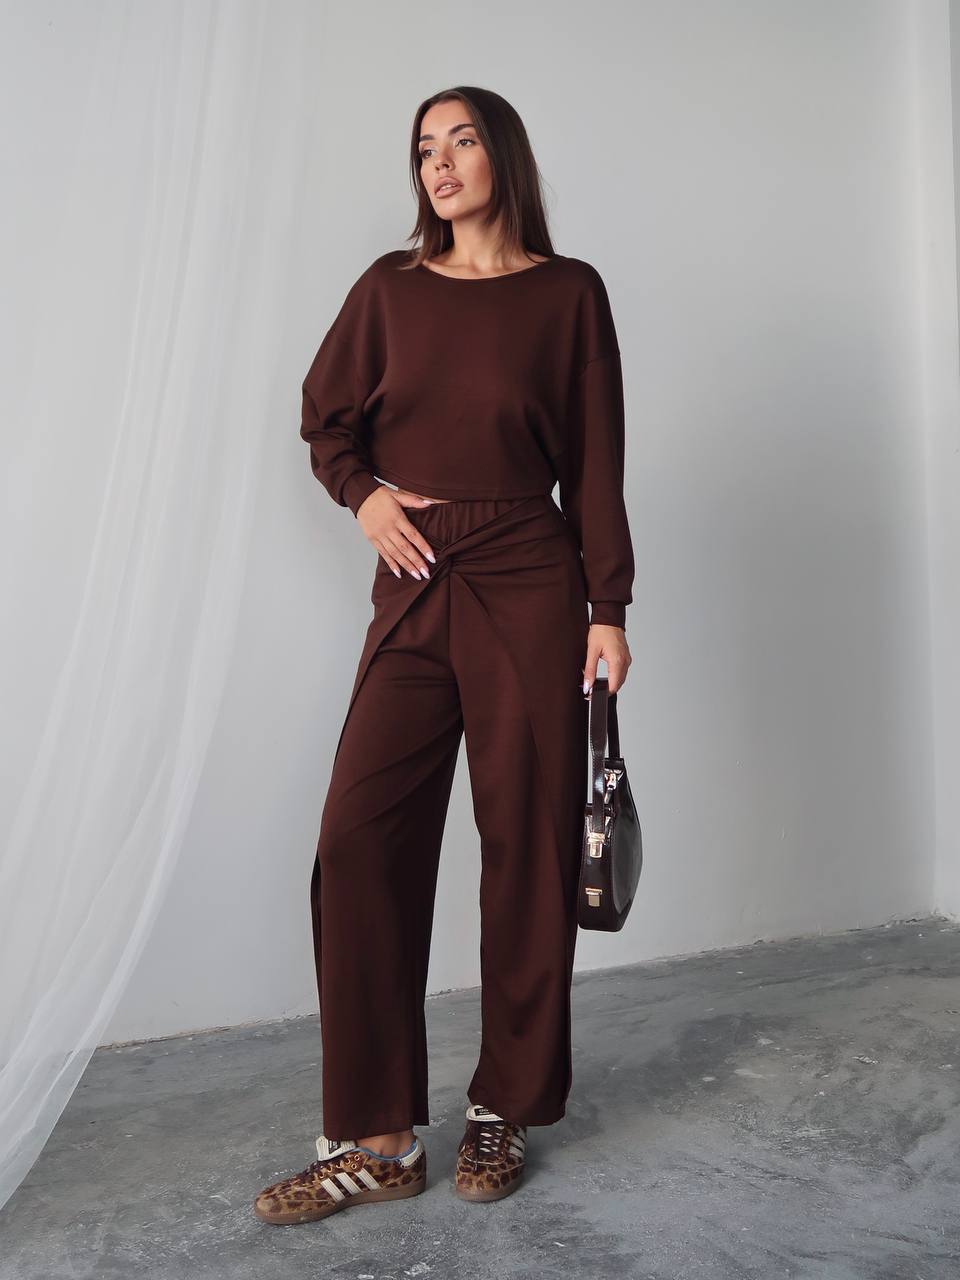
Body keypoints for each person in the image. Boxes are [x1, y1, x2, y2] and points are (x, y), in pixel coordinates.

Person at [254, 84, 634, 1226]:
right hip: (418, 579)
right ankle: (376, 1135)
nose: (440, 162)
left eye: (461, 139)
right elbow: (328, 420)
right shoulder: (390, 289)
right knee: (357, 835)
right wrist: (365, 496)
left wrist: (606, 603)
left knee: (525, 842)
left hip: (531, 572)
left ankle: (502, 1104)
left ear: (502, 154)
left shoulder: (569, 294)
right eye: (424, 147)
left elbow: (599, 459)